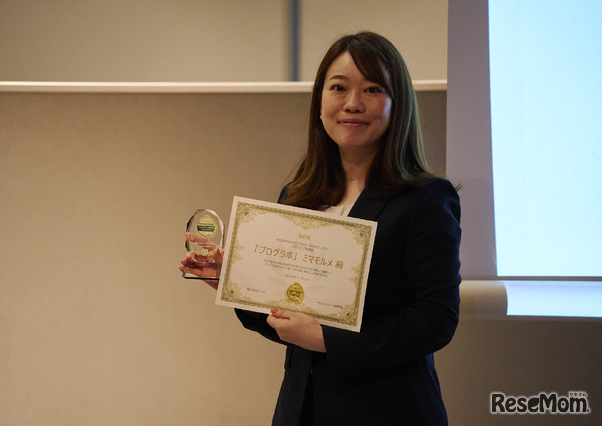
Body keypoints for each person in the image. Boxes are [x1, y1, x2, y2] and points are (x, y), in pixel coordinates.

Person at [180, 31, 461, 425]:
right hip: (300, 410)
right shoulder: (299, 196)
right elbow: (286, 318)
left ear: (397, 104)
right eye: (338, 87)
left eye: (372, 89)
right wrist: (234, 282)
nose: (352, 103)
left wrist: (329, 340)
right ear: (319, 102)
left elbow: (433, 321)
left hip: (388, 410)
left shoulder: (425, 199)